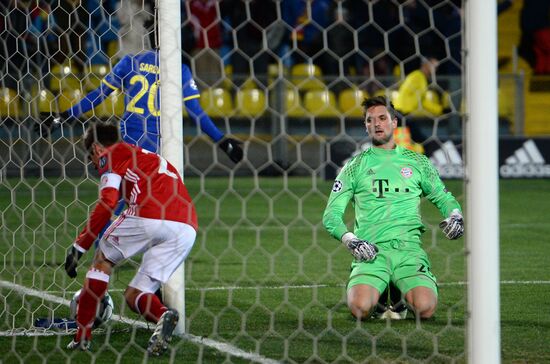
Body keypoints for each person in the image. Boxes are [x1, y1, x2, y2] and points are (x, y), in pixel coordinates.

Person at [322, 96, 464, 320]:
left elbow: (442, 197)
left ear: (394, 122)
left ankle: (398, 295)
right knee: (360, 308)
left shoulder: (418, 162)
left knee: (426, 308)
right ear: (365, 126)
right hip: (370, 251)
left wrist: (455, 215)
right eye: (370, 120)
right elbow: (331, 215)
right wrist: (350, 239)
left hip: (408, 251)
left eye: (382, 118)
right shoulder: (354, 167)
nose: (376, 124)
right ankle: (380, 298)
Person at [64, 122, 197, 355]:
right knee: (134, 294)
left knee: (102, 259)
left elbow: (107, 203)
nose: (94, 165)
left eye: (90, 157)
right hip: (186, 226)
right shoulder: (146, 155)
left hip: (149, 213)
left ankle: (82, 336)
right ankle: (163, 315)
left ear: (96, 148)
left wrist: (79, 246)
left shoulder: (110, 156)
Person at [35, 48, 243, 163]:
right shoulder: (180, 69)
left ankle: (100, 240)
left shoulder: (130, 61)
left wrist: (63, 116)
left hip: (129, 140)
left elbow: (99, 95)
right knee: (156, 204)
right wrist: (222, 141)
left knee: (118, 200)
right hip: (160, 145)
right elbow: (194, 111)